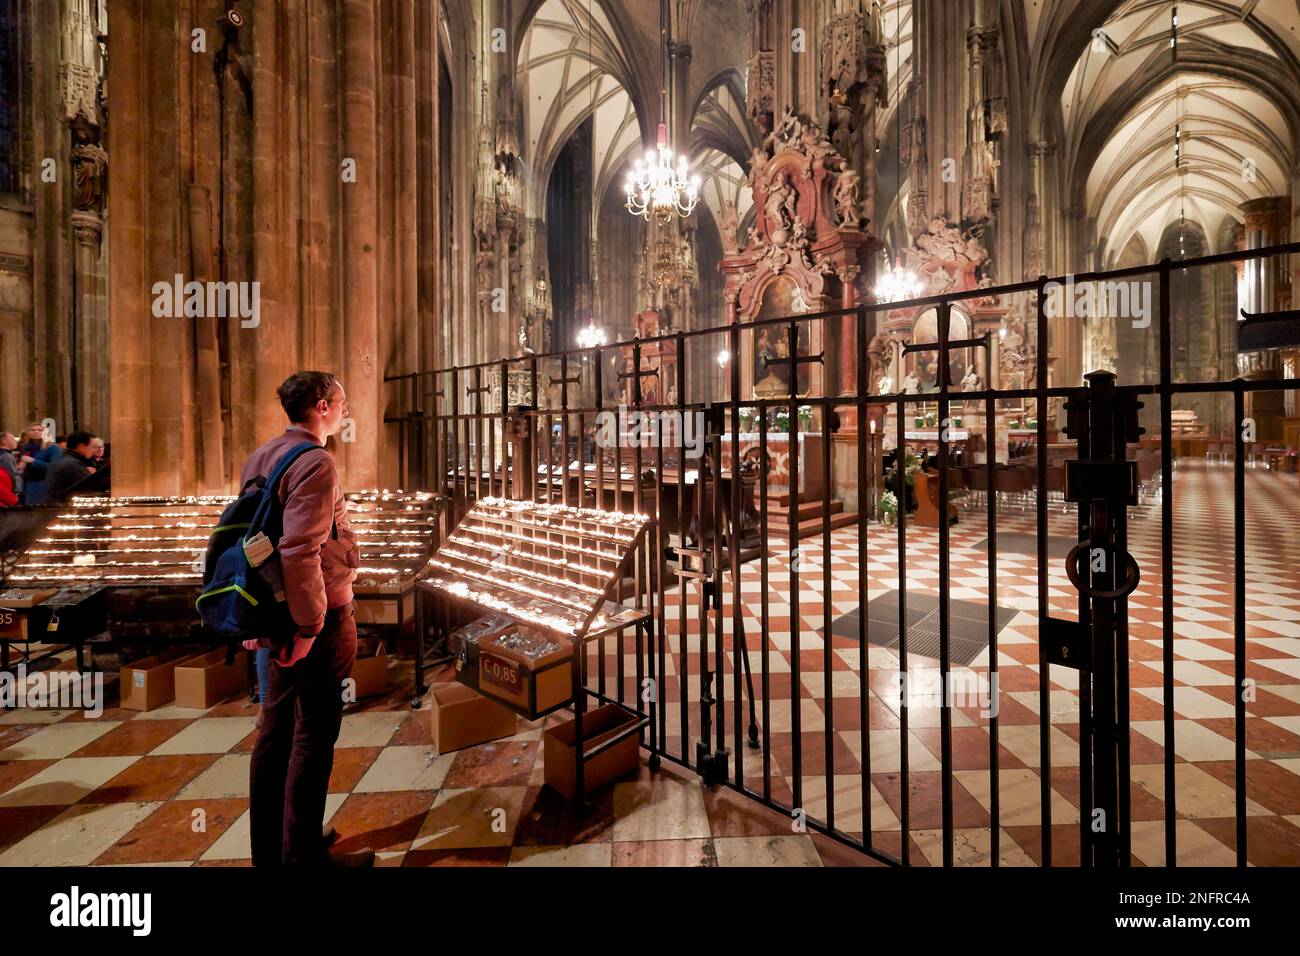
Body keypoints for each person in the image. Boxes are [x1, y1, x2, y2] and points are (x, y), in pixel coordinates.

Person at [242, 370, 369, 868]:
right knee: (313, 735)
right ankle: (305, 858)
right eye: (341, 403)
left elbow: (256, 544)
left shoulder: (264, 455)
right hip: (318, 618)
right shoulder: (316, 462)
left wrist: (269, 620)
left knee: (275, 731)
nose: (345, 411)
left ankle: (274, 851)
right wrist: (311, 626)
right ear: (320, 406)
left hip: (277, 615)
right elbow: (299, 550)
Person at [44, 432, 97, 504]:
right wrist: (93, 476)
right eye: (93, 447)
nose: (95, 450)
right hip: (64, 506)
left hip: (57, 504)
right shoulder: (72, 464)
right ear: (81, 446)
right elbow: (90, 487)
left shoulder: (64, 459)